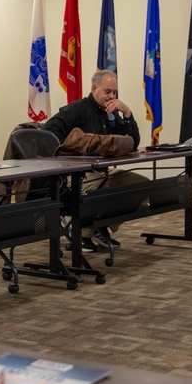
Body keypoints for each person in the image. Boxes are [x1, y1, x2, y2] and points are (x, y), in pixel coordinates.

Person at [43, 69, 147, 252]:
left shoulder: (111, 112)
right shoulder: (78, 109)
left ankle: (100, 225)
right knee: (99, 191)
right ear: (94, 88)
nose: (112, 96)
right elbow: (49, 131)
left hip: (104, 170)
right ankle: (83, 234)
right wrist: (71, 151)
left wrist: (128, 113)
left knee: (141, 185)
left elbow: (133, 142)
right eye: (108, 91)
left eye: (114, 92)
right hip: (78, 174)